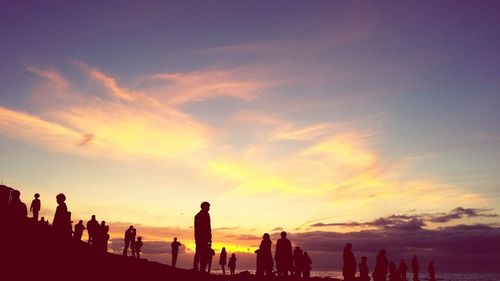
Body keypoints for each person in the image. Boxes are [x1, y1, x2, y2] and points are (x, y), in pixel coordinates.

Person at [193, 201, 211, 271]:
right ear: (204, 207)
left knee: (202, 253)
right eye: (208, 207)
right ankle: (198, 268)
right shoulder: (199, 216)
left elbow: (208, 228)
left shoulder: (203, 215)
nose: (209, 209)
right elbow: (199, 228)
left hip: (203, 238)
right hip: (201, 238)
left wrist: (209, 238)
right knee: (200, 253)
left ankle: (201, 268)